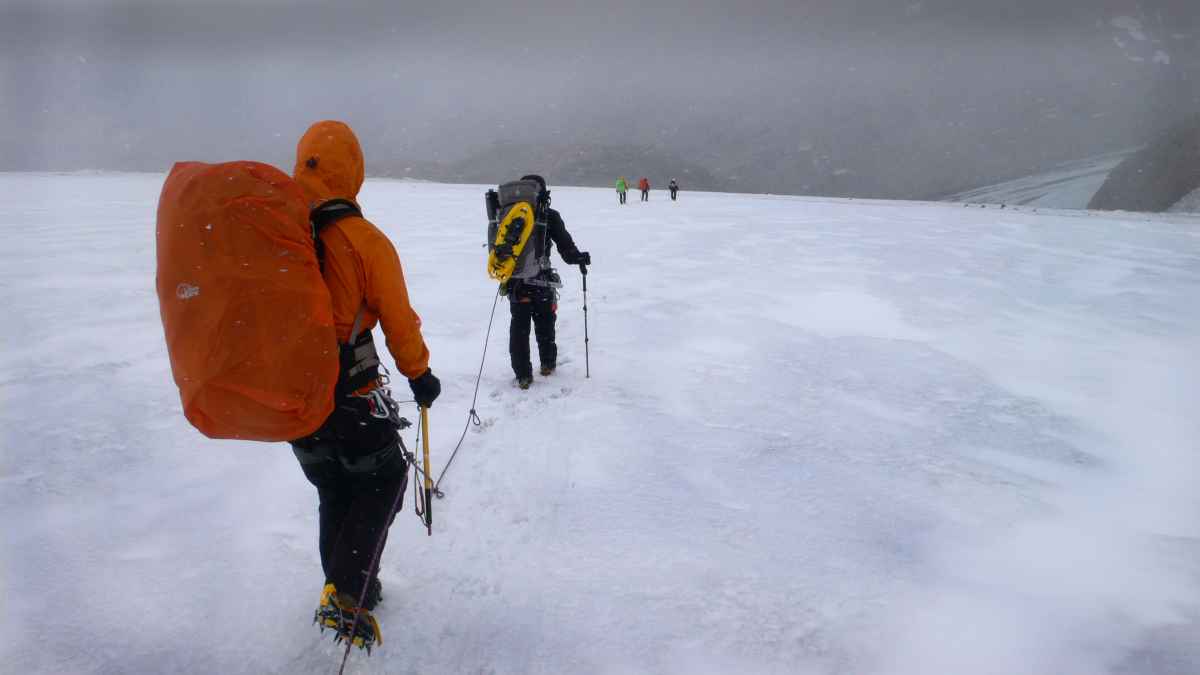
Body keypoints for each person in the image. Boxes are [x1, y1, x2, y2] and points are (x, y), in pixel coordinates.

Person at [288, 120, 442, 650]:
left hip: (294, 397)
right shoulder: (364, 241)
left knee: (334, 485)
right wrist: (420, 376)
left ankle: (347, 585)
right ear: (352, 171)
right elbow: (399, 323)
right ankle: (349, 594)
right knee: (384, 481)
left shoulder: (281, 233)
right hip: (348, 394)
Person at [505, 174, 590, 389]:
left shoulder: (507, 217)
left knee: (519, 330)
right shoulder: (548, 215)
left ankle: (523, 375)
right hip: (542, 281)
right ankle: (548, 364)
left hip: (517, 284)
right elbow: (566, 248)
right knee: (545, 325)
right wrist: (579, 258)